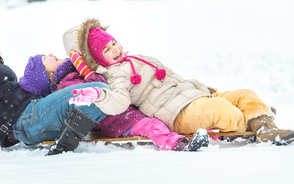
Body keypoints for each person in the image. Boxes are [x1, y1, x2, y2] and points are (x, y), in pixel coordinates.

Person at [62, 18, 294, 145]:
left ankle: (264, 127)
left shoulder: (138, 58)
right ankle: (252, 123)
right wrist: (99, 96)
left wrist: (201, 90)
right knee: (219, 110)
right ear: (97, 59)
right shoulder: (116, 75)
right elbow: (119, 102)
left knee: (243, 94)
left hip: (195, 96)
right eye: (106, 50)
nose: (115, 49)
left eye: (113, 42)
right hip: (178, 113)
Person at [0, 3, 110, 156]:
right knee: (100, 91)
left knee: (109, 90)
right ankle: (65, 145)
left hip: (35, 111)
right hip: (24, 122)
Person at [18, 53, 209, 152]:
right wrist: (90, 74)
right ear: (48, 75)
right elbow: (100, 89)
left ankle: (210, 135)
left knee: (167, 117)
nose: (51, 54)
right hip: (118, 120)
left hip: (125, 110)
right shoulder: (67, 84)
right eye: (45, 59)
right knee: (154, 126)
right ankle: (177, 145)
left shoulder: (73, 73)